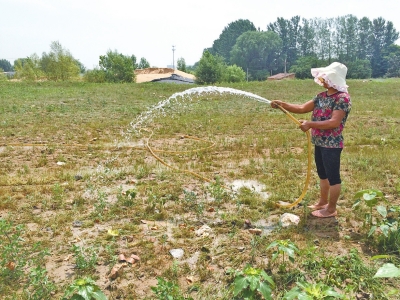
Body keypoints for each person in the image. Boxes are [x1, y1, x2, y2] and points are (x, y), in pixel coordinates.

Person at [271, 62, 351, 218]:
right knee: (323, 174)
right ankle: (322, 202)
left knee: (333, 177)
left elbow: (334, 122)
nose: (322, 79)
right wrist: (283, 104)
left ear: (334, 78)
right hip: (319, 142)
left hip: (332, 144)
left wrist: (310, 124)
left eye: (325, 77)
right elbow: (302, 108)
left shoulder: (342, 98)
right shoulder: (321, 96)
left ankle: (331, 209)